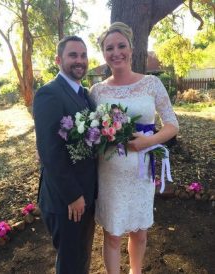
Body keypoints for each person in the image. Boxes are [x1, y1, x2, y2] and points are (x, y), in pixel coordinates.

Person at [90, 22, 179, 274]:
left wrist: (148, 142)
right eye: (109, 48)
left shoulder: (151, 84)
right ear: (104, 53)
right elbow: (90, 131)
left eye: (121, 46)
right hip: (109, 174)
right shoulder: (96, 91)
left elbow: (172, 124)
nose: (116, 52)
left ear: (131, 48)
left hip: (142, 173)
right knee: (112, 236)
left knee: (139, 233)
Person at [33, 35, 97, 274]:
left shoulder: (85, 94)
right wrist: (73, 196)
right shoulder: (49, 94)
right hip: (66, 201)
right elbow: (49, 152)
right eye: (73, 55)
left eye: (83, 55)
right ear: (59, 59)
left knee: (81, 258)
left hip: (86, 196)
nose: (79, 60)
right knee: (70, 264)